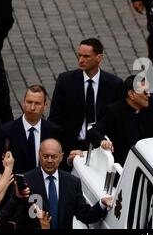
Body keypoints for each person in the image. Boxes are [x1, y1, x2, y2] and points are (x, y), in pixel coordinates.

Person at [0, 138, 112, 229]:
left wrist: (101, 204)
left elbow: (84, 214)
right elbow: (14, 217)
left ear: (61, 157)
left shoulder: (72, 183)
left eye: (53, 156)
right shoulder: (26, 180)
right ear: (39, 156)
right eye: (45, 156)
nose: (49, 160)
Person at [49, 38, 123, 169]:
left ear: (99, 57)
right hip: (71, 145)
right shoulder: (65, 81)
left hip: (100, 146)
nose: (81, 60)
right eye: (79, 55)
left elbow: (117, 121)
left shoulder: (114, 84)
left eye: (86, 56)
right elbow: (55, 116)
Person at [87, 75, 153, 166]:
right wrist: (103, 141)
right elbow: (93, 130)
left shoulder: (151, 109)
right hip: (123, 164)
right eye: (145, 92)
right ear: (131, 94)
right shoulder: (114, 111)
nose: (149, 95)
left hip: (149, 161)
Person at [0, 85, 63, 174]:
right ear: (23, 103)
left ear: (45, 106)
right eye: (29, 102)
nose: (32, 107)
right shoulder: (6, 131)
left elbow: (59, 163)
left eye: (37, 103)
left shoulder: (53, 131)